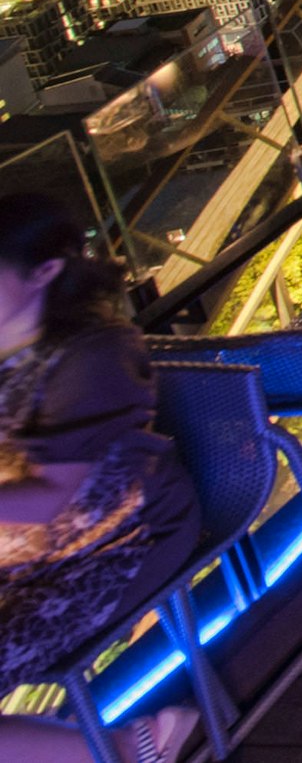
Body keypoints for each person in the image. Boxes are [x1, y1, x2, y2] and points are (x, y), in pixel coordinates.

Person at [0, 198, 200, 763]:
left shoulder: (92, 355)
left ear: (44, 272)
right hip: (23, 557)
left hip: (113, 545)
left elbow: (51, 500)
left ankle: (121, 751)